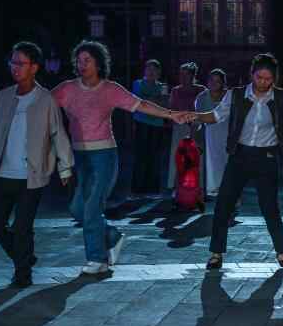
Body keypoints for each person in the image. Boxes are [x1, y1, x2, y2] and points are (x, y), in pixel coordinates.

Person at [53, 40, 190, 275]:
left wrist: (171, 115)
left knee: (92, 208)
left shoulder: (110, 89)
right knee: (78, 209)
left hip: (104, 156)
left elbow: (141, 105)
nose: (82, 64)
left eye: (87, 60)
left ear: (98, 63)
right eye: (79, 60)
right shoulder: (66, 89)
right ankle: (112, 236)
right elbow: (42, 105)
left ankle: (98, 259)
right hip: (79, 157)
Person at [191, 53, 283, 270]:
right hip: (240, 155)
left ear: (274, 78)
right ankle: (216, 253)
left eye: (268, 79)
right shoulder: (236, 95)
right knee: (223, 204)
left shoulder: (282, 97)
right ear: (252, 75)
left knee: (269, 206)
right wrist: (192, 115)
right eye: (259, 78)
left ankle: (281, 251)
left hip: (267, 157)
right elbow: (215, 116)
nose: (263, 83)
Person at [0, 42, 74, 288]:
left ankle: (23, 274)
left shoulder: (46, 100)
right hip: (1, 173)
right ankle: (24, 257)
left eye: (20, 63)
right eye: (12, 62)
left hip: (31, 176)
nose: (15, 67)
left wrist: (65, 167)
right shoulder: (4, 96)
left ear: (34, 67)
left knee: (22, 227)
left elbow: (57, 133)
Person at [130, 59, 168, 197]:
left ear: (159, 72)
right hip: (141, 123)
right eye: (149, 69)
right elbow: (139, 102)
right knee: (140, 156)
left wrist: (149, 100)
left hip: (157, 125)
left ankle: (152, 189)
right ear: (145, 70)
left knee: (154, 157)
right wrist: (154, 100)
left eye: (154, 69)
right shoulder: (137, 83)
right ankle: (137, 189)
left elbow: (165, 103)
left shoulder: (163, 86)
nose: (151, 72)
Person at [167, 62, 206, 192]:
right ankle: (176, 186)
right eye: (181, 75)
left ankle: (199, 186)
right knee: (178, 156)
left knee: (197, 156)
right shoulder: (176, 90)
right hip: (180, 127)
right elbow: (171, 109)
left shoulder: (201, 90)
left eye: (186, 74)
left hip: (196, 126)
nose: (183, 77)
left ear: (193, 75)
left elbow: (204, 108)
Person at [194, 69, 229, 197]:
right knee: (210, 164)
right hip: (209, 136)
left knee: (228, 165)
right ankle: (211, 190)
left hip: (228, 135)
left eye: (218, 81)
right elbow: (197, 120)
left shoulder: (229, 96)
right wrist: (195, 139)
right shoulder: (202, 97)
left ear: (223, 83)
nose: (214, 83)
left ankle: (231, 194)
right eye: (211, 80)